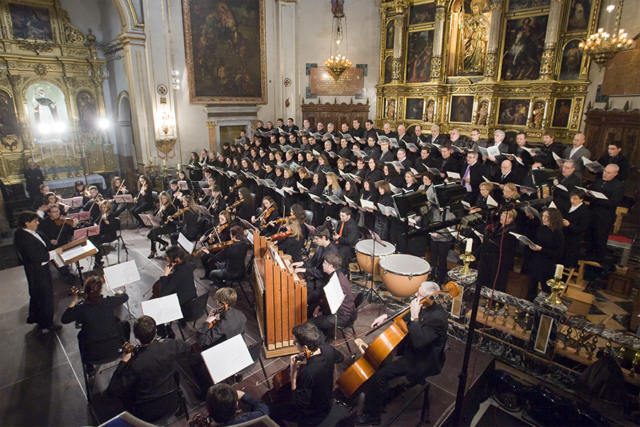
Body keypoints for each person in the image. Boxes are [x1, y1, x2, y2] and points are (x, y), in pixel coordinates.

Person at [355, 281, 448, 426]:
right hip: (415, 352)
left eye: (419, 294)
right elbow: (406, 314)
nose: (416, 295)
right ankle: (382, 394)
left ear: (430, 299)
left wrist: (415, 318)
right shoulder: (424, 305)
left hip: (423, 360)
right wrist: (386, 316)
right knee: (383, 361)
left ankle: (373, 416)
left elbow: (419, 342)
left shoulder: (438, 318)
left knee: (380, 376)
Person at [107, 316, 190, 417]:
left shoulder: (136, 365)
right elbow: (187, 347)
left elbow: (112, 391)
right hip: (172, 400)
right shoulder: (170, 345)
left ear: (136, 336)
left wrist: (123, 362)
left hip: (147, 411)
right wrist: (165, 342)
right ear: (155, 331)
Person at [269, 323, 345, 426]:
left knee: (271, 410)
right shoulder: (328, 349)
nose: (294, 343)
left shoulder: (308, 372)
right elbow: (341, 358)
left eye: (295, 342)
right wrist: (308, 356)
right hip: (327, 401)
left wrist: (293, 374)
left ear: (305, 347)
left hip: (313, 416)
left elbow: (299, 405)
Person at [60, 276, 130, 370]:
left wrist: (76, 299)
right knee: (124, 324)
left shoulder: (82, 309)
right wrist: (120, 292)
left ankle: (88, 365)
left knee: (81, 335)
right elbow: (125, 297)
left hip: (92, 356)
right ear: (101, 290)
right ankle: (126, 348)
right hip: (115, 350)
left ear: (86, 290)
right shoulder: (108, 302)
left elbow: (64, 319)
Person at [190, 288, 247, 393]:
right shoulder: (240, 314)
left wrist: (207, 322)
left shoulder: (223, 325)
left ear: (223, 304)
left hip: (225, 352)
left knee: (193, 359)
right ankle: (236, 375)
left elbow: (202, 341)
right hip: (237, 348)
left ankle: (205, 391)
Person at [14, 211, 64, 331]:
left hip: (35, 269)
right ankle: (46, 322)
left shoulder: (22, 232)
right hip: (37, 270)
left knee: (37, 294)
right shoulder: (25, 238)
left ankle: (36, 317)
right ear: (27, 223)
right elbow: (36, 257)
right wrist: (54, 253)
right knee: (45, 295)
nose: (37, 223)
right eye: (35, 221)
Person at [306, 253, 356, 337]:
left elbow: (334, 306)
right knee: (309, 309)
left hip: (341, 316)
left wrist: (321, 312)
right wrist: (319, 307)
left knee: (310, 323)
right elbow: (329, 299)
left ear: (330, 266)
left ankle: (321, 343)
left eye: (325, 263)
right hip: (336, 310)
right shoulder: (337, 274)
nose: (322, 265)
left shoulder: (338, 282)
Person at [522, 208, 565, 301]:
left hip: (546, 266)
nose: (543, 218)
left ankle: (540, 313)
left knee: (545, 291)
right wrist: (530, 243)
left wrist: (541, 249)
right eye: (543, 216)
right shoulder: (541, 228)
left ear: (553, 218)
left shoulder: (558, 234)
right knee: (531, 289)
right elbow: (537, 241)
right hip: (535, 262)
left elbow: (558, 253)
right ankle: (528, 311)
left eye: (547, 217)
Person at [584, 164, 625, 260]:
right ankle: (586, 262)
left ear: (615, 174)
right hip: (592, 214)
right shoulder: (598, 181)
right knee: (588, 240)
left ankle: (597, 265)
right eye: (605, 171)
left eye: (608, 173)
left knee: (599, 242)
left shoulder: (618, 186)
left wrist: (598, 198)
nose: (605, 174)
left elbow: (612, 203)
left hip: (604, 219)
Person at [156, 245, 197, 338]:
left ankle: (167, 333)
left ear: (176, 259)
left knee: (158, 310)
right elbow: (193, 265)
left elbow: (163, 293)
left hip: (184, 308)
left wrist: (165, 275)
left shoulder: (177, 274)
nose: (166, 258)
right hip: (195, 303)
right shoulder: (189, 266)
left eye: (168, 257)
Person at [292, 226, 339, 304]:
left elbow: (324, 273)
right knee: (298, 289)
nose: (314, 241)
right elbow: (313, 261)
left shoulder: (332, 252)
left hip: (324, 283)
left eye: (316, 238)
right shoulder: (320, 247)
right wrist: (302, 263)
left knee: (302, 296)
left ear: (323, 237)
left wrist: (305, 270)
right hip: (318, 279)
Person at [476, 210, 519, 293]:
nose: (501, 217)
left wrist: (489, 242)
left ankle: (495, 302)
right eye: (501, 215)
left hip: (501, 260)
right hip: (491, 257)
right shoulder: (497, 225)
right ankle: (486, 296)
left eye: (504, 216)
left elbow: (506, 246)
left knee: (497, 281)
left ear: (510, 219)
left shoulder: (512, 230)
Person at [189, 384, 269, 427]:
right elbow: (264, 410)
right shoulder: (246, 420)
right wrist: (244, 396)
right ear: (236, 405)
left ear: (208, 410)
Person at [206, 225, 249, 290]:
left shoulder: (229, 249)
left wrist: (208, 252)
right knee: (221, 265)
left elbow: (216, 259)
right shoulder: (245, 245)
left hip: (230, 273)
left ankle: (221, 286)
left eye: (230, 234)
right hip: (241, 271)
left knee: (212, 273)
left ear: (233, 236)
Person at [561, 189, 590, 268]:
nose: (572, 201)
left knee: (566, 262)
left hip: (572, 241)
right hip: (563, 236)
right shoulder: (567, 206)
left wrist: (569, 225)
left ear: (581, 199)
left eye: (575, 199)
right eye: (571, 198)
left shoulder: (585, 212)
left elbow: (582, 229)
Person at [147, 191, 177, 259]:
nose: (163, 200)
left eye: (164, 198)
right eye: (161, 199)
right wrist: (156, 213)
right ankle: (163, 243)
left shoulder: (171, 207)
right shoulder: (163, 206)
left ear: (167, 198)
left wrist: (163, 216)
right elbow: (156, 214)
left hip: (170, 226)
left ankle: (153, 251)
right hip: (163, 225)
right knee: (150, 234)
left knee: (152, 233)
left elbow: (169, 220)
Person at [332, 207, 359, 273]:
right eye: (340, 215)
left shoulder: (353, 226)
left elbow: (349, 241)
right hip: (341, 242)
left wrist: (338, 238)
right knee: (329, 247)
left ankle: (343, 271)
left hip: (349, 246)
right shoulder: (342, 222)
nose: (341, 217)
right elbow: (339, 232)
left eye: (343, 216)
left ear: (348, 216)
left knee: (340, 253)